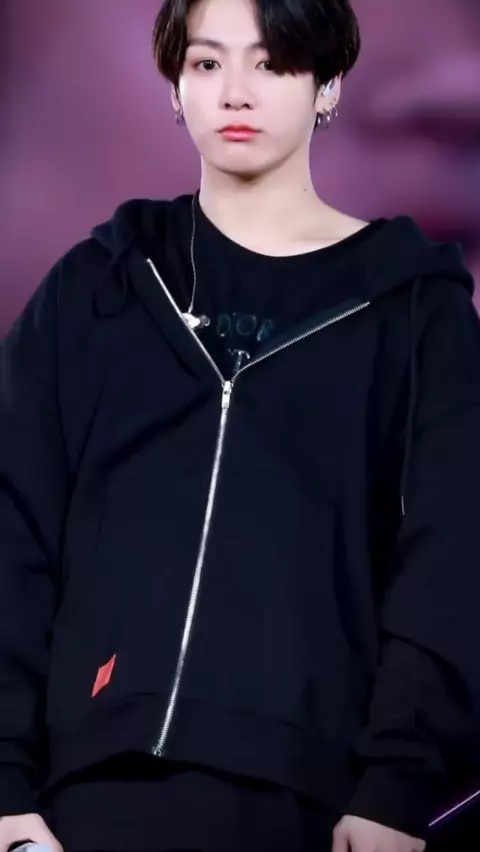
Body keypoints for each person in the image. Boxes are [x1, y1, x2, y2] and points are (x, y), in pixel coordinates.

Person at [0, 0, 479, 850]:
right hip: (82, 803)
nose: (236, 93)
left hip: (312, 805)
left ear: (327, 85)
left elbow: (450, 561)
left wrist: (395, 791)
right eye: (208, 62)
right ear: (176, 86)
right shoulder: (97, 290)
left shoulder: (414, 311)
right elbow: (13, 534)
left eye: (273, 61)